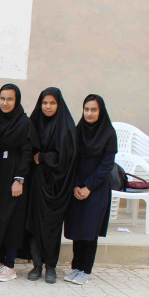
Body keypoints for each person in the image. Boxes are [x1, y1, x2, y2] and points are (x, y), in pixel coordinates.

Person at [0, 84, 37, 282]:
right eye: (2, 99)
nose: (5, 103)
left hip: (14, 174)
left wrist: (19, 179)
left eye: (10, 99)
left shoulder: (24, 123)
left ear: (17, 101)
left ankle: (10, 265)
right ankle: (0, 260)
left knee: (12, 219)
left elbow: (27, 153)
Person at [64, 95, 117, 284]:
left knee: (89, 229)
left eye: (93, 109)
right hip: (77, 186)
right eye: (86, 109)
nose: (89, 113)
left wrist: (88, 187)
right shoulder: (78, 131)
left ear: (100, 111)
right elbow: (72, 159)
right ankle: (76, 267)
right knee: (77, 228)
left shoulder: (108, 133)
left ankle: (86, 270)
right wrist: (76, 185)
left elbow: (106, 165)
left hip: (97, 189)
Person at [26, 87, 77, 283]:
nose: (47, 107)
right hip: (36, 183)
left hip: (57, 186)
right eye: (44, 103)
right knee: (35, 224)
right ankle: (37, 265)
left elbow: (67, 157)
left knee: (51, 228)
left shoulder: (66, 126)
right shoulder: (35, 122)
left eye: (52, 103)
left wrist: (44, 157)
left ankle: (51, 267)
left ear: (59, 104)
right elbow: (27, 149)